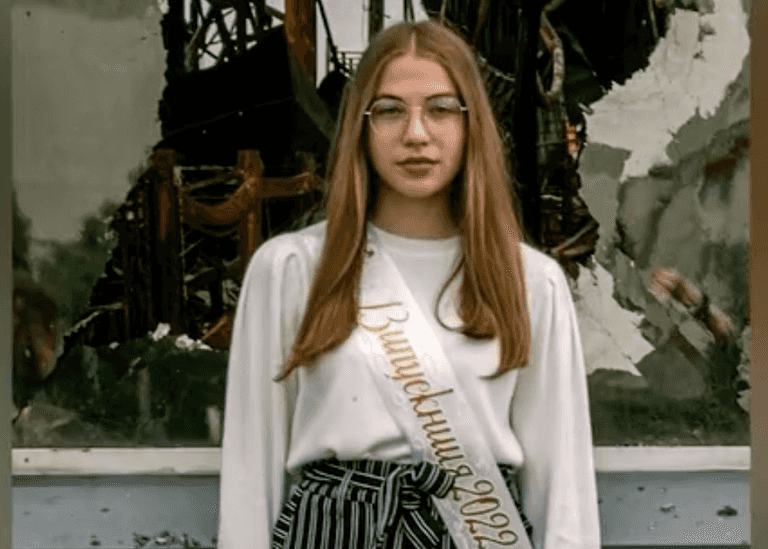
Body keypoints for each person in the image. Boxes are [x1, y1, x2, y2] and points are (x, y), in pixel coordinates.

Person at [218, 19, 600, 549]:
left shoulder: (531, 281)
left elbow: (563, 487)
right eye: (390, 110)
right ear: (361, 126)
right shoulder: (290, 269)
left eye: (442, 108)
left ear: (472, 126)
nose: (415, 134)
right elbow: (249, 472)